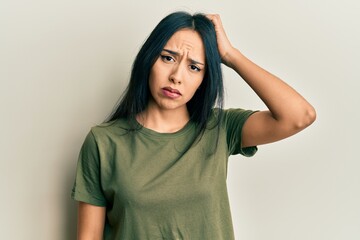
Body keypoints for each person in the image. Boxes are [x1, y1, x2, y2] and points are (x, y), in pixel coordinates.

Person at [71, 11, 316, 240]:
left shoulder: (220, 128)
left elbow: (299, 116)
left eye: (194, 67)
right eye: (168, 58)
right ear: (148, 59)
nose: (176, 75)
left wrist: (231, 55)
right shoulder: (103, 142)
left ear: (203, 79)